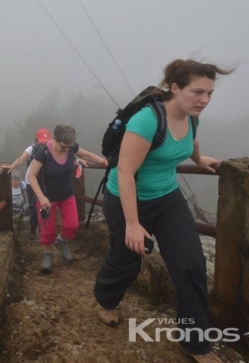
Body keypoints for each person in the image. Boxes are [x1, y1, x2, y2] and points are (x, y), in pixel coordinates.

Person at [93, 59, 233, 363]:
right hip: (127, 198)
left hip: (168, 198)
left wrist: (198, 159)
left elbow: (190, 139)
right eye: (198, 92)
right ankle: (105, 299)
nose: (205, 100)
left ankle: (195, 343)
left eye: (209, 94)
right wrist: (132, 224)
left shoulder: (192, 115)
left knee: (191, 264)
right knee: (126, 260)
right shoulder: (146, 120)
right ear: (174, 88)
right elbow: (126, 172)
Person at [28, 124, 108, 273]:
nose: (66, 150)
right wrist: (41, 197)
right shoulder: (43, 152)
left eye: (68, 147)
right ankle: (48, 254)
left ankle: (62, 241)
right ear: (55, 139)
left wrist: (104, 162)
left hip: (67, 194)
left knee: (72, 226)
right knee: (48, 230)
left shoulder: (71, 147)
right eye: (63, 147)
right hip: (46, 198)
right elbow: (31, 175)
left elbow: (86, 155)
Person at [2, 128, 51, 242]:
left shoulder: (51, 149)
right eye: (41, 140)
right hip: (31, 182)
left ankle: (43, 230)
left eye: (46, 140)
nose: (43, 143)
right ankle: (33, 229)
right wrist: (13, 165)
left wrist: (76, 161)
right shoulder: (32, 149)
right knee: (34, 207)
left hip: (46, 181)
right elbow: (21, 159)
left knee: (47, 205)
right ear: (36, 140)